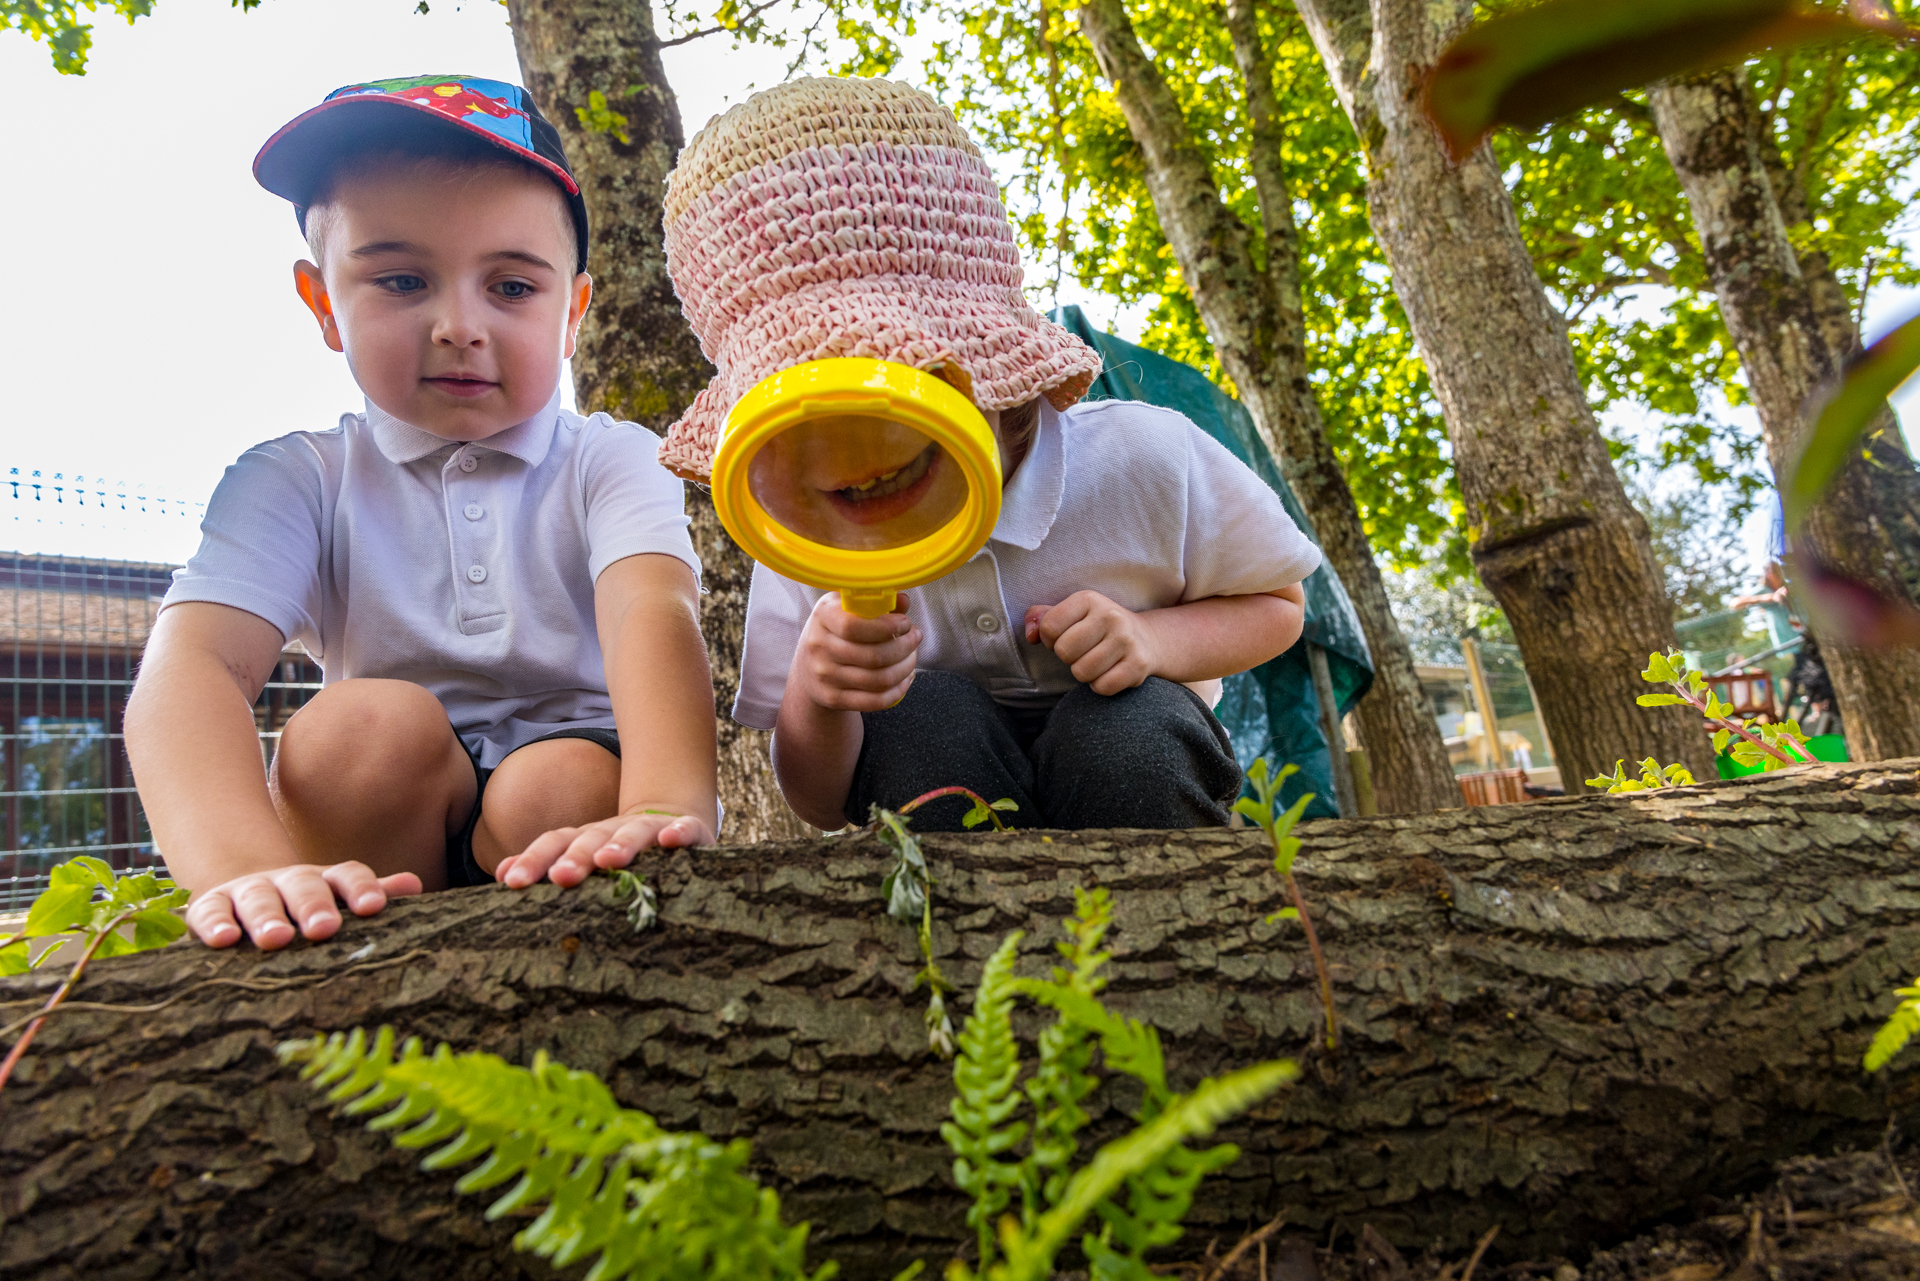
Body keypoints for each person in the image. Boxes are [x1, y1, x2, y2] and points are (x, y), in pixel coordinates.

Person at [126, 76, 718, 951]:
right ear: (324, 303)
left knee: (558, 781)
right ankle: (362, 970)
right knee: (351, 733)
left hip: (564, 806)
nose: (458, 325)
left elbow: (651, 609)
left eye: (512, 288)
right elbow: (191, 666)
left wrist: (666, 807)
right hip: (380, 821)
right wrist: (244, 868)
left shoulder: (611, 457)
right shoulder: (299, 477)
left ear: (572, 316)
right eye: (402, 280)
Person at [655, 77, 1317, 832]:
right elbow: (817, 802)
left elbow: (1279, 604)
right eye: (810, 418)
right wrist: (819, 687)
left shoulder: (1144, 458)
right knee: (921, 715)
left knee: (1124, 737)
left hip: (1140, 782)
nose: (862, 458)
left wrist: (1152, 638)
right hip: (948, 815)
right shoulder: (804, 536)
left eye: (905, 377)